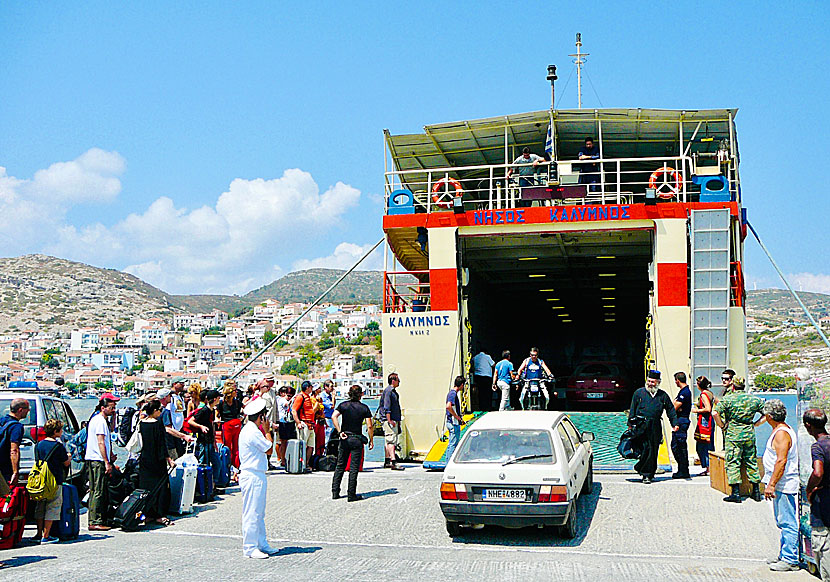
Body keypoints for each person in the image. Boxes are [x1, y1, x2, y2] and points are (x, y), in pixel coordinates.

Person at [758, 399, 799, 572]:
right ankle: (785, 554)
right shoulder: (781, 430)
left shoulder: (782, 434)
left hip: (784, 483)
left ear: (768, 416)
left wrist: (772, 484)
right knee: (782, 519)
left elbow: (781, 461)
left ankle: (790, 558)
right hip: (780, 482)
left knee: (787, 520)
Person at [713, 376, 764, 503]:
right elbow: (767, 413)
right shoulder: (754, 400)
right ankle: (756, 491)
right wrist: (756, 423)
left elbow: (715, 413)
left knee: (733, 462)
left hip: (733, 434)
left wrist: (722, 425)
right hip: (748, 433)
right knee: (751, 461)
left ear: (733, 386)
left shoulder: (728, 400)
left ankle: (735, 493)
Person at [237, 397, 277, 559]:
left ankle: (261, 543)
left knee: (259, 512)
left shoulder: (250, 429)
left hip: (257, 474)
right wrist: (267, 431)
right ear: (261, 417)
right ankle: (250, 547)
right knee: (252, 512)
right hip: (252, 474)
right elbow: (269, 449)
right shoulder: (252, 431)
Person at [628, 370, 678, 484]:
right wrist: (631, 424)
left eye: (653, 382)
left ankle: (648, 474)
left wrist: (674, 424)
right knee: (644, 449)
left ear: (658, 382)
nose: (650, 383)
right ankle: (642, 468)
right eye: (649, 381)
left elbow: (670, 410)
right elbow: (633, 409)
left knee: (653, 450)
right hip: (641, 425)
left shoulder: (662, 395)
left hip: (655, 426)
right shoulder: (639, 393)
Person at [331, 384, 374, 502]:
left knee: (340, 465)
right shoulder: (364, 408)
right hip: (356, 439)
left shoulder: (343, 405)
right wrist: (371, 440)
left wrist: (340, 431)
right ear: (361, 394)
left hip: (345, 438)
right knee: (353, 468)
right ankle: (351, 494)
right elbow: (370, 426)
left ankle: (335, 492)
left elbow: (334, 417)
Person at [137, 400, 176, 527]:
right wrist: (168, 459)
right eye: (159, 410)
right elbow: (161, 444)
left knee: (146, 487)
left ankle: (147, 514)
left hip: (144, 459)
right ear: (155, 411)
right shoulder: (158, 424)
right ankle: (160, 515)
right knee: (161, 487)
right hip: (156, 459)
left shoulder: (142, 423)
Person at [32, 418, 70, 544]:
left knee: (40, 507)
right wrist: (69, 456)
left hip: (40, 479)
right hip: (54, 480)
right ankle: (46, 535)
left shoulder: (38, 445)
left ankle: (38, 533)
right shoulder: (58, 446)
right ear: (55, 431)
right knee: (53, 506)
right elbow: (65, 463)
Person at [85, 394, 119, 530]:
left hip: (96, 458)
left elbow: (109, 433)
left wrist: (110, 455)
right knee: (98, 490)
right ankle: (95, 521)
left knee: (98, 489)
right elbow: (101, 442)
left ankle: (99, 518)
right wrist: (106, 461)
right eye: (111, 408)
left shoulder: (101, 420)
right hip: (97, 460)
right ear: (103, 407)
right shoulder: (99, 421)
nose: (113, 410)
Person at [804, 408, 830, 581]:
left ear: (808, 426)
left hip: (823, 500)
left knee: (824, 543)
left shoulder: (818, 446)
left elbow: (818, 472)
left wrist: (809, 489)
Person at [189, 389, 221, 483]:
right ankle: (204, 485)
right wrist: (201, 427)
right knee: (204, 463)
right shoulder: (204, 411)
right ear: (215, 399)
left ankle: (212, 484)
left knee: (216, 463)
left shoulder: (211, 410)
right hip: (203, 441)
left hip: (210, 440)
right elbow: (190, 421)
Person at [0, 398, 30, 489]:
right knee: (5, 498)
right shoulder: (16, 427)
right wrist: (15, 472)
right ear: (20, 410)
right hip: (4, 467)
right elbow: (14, 450)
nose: (28, 411)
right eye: (27, 409)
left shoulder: (2, 421)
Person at [691, 376, 716, 476]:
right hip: (709, 421)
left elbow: (708, 408)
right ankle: (709, 467)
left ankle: (708, 467)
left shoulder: (704, 394)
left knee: (702, 445)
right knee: (708, 444)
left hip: (705, 421)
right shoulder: (710, 393)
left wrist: (696, 410)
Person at [378, 373, 404, 470]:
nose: (399, 382)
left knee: (388, 440)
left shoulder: (391, 391)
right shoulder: (389, 391)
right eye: (398, 380)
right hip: (390, 420)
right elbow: (387, 407)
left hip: (392, 419)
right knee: (391, 441)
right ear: (393, 380)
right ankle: (394, 461)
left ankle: (387, 460)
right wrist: (389, 420)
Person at [158, 388, 192, 461]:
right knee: (175, 460)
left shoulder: (160, 409)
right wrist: (184, 436)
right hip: (169, 441)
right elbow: (168, 429)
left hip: (170, 438)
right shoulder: (165, 411)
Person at [671, 372, 693, 479]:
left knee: (679, 446)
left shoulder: (685, 392)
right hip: (680, 420)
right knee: (676, 446)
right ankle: (682, 469)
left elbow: (675, 406)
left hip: (682, 421)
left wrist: (675, 404)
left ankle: (683, 470)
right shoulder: (683, 392)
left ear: (677, 380)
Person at [291, 380, 317, 470]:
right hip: (304, 423)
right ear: (307, 388)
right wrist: (298, 422)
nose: (312, 389)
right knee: (302, 445)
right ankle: (301, 463)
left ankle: (306, 463)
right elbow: (294, 410)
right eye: (311, 387)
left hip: (310, 424)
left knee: (311, 445)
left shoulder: (307, 397)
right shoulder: (300, 397)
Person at [218, 382, 244, 469]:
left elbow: (245, 410)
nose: (236, 392)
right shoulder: (221, 403)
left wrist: (242, 418)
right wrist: (218, 420)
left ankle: (236, 465)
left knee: (236, 447)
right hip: (226, 425)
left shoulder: (237, 402)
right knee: (227, 446)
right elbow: (217, 414)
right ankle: (228, 464)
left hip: (235, 425)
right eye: (234, 391)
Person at [445, 376, 466, 460]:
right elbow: (448, 406)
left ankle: (448, 461)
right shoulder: (453, 394)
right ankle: (449, 463)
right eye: (463, 385)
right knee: (453, 444)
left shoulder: (452, 393)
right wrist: (458, 417)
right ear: (461, 385)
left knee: (452, 443)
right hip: (453, 422)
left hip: (453, 422)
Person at [276, 386, 295, 467]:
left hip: (289, 422)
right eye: (288, 395)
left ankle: (287, 458)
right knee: (283, 442)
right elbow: (287, 404)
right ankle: (282, 459)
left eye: (291, 395)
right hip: (283, 422)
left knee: (288, 441)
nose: (289, 397)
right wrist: (293, 399)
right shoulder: (282, 400)